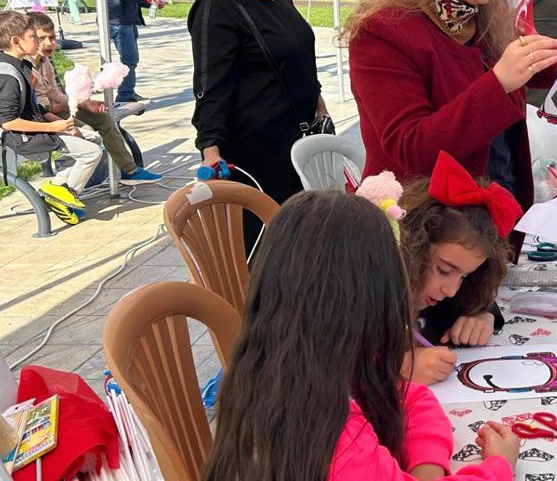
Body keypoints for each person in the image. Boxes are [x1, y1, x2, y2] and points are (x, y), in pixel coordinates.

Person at [201, 190, 519, 481]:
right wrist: (498, 467)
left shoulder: (295, 367)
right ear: (363, 301)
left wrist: (427, 468)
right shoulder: (334, 438)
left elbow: (407, 395)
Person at [346, 0, 557, 213]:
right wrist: (499, 83)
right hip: (427, 236)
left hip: (490, 222)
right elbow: (411, 149)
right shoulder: (382, 31)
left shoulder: (478, 15)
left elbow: (530, 65)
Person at [190, 0, 328, 251]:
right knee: (266, 253)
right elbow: (210, 84)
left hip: (298, 142)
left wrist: (319, 103)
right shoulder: (217, 2)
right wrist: (210, 149)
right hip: (256, 154)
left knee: (306, 246)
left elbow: (297, 54)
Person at [394, 152, 522, 385]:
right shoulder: (358, 298)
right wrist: (394, 372)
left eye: (465, 276)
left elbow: (476, 295)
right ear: (409, 247)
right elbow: (318, 373)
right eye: (444, 270)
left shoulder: (437, 291)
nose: (451, 291)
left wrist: (484, 315)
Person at [26, 12, 160, 184]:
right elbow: (38, 107)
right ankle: (64, 187)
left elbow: (53, 92)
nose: (48, 43)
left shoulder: (46, 62)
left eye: (52, 37)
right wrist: (67, 107)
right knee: (87, 133)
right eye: (42, 38)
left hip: (56, 109)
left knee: (103, 119)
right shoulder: (26, 67)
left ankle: (130, 170)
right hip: (42, 117)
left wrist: (82, 103)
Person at [0, 11, 103, 226]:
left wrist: (59, 124)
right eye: (34, 37)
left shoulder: (21, 65)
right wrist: (53, 127)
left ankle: (58, 189)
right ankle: (60, 194)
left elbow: (33, 106)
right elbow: (8, 122)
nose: (39, 41)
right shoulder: (8, 74)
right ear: (16, 41)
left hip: (37, 129)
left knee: (93, 140)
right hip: (21, 138)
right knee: (91, 152)